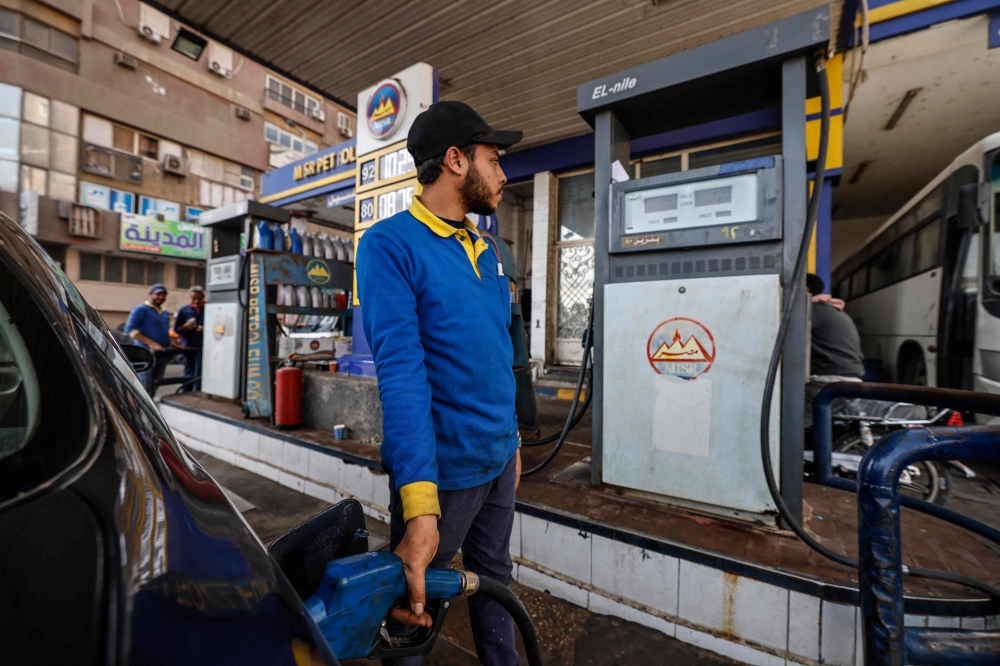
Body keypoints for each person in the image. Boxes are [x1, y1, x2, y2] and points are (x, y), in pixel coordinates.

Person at [356, 101, 523, 666]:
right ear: (455, 160)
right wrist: (420, 507)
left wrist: (515, 443)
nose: (503, 174)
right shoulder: (389, 246)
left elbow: (496, 356)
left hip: (499, 462)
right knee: (413, 609)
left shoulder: (487, 247)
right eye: (493, 159)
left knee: (494, 582)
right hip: (443, 477)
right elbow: (401, 377)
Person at [805, 273, 865, 426]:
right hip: (846, 379)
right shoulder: (829, 309)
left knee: (787, 421)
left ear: (805, 289)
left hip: (829, 382)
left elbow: (784, 334)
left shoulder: (813, 310)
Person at [125, 283, 178, 394]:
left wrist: (171, 342)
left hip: (162, 354)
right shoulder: (141, 309)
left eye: (163, 295)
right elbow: (130, 330)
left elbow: (165, 330)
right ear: (150, 294)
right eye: (158, 294)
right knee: (144, 388)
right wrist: (151, 343)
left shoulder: (165, 311)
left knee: (155, 385)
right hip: (147, 355)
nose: (161, 297)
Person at [173, 285, 205, 391]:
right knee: (189, 372)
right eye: (194, 298)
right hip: (189, 347)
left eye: (199, 298)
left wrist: (206, 329)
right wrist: (185, 327)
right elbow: (177, 329)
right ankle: (185, 393)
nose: (196, 301)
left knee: (201, 373)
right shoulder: (184, 310)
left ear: (203, 297)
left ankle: (199, 393)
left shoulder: (210, 308)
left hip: (205, 347)